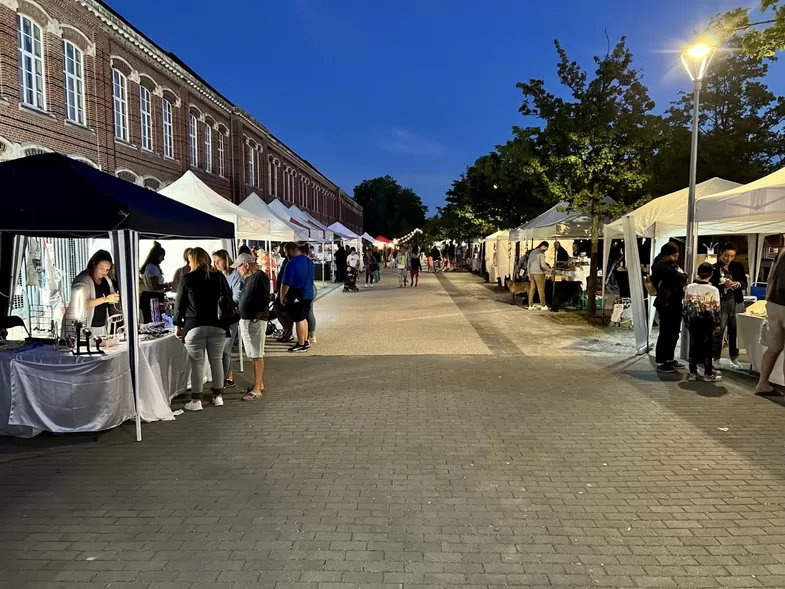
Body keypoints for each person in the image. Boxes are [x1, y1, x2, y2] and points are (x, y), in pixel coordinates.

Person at [173, 247, 229, 411]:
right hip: (217, 325)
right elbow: (228, 298)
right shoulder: (218, 276)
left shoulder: (187, 278)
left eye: (190, 260)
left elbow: (179, 305)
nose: (188, 263)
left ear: (195, 261)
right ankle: (218, 396)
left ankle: (196, 401)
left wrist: (178, 325)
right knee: (216, 360)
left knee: (197, 364)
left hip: (194, 326)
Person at [232, 252, 271, 400]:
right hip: (248, 319)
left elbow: (265, 297)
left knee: (256, 354)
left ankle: (257, 388)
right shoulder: (249, 278)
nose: (238, 270)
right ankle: (258, 383)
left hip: (254, 320)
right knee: (253, 354)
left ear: (246, 265)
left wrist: (257, 316)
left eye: (239, 267)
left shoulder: (259, 276)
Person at [651, 242, 689, 372]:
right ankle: (662, 361)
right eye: (674, 256)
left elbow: (682, 278)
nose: (676, 259)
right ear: (665, 255)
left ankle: (669, 358)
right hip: (666, 303)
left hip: (674, 301)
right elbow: (681, 276)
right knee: (666, 333)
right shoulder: (660, 266)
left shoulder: (669, 266)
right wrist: (681, 276)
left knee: (673, 333)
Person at [65, 250, 120, 336]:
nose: (104, 272)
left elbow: (110, 299)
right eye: (101, 268)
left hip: (102, 326)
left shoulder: (107, 280)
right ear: (94, 264)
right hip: (83, 327)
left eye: (107, 270)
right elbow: (82, 304)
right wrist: (105, 299)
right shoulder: (83, 280)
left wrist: (114, 299)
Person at [683, 262, 723, 382]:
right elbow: (716, 308)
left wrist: (686, 320)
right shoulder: (713, 290)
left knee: (693, 346)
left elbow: (685, 305)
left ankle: (692, 373)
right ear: (711, 274)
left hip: (694, 320)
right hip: (708, 320)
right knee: (707, 347)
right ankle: (708, 373)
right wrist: (717, 324)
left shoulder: (689, 287)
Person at [710, 242, 746, 370]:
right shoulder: (713, 268)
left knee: (735, 330)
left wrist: (738, 284)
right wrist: (722, 285)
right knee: (719, 329)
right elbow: (710, 285)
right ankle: (715, 358)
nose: (729, 259)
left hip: (736, 301)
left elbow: (744, 283)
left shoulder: (738, 266)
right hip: (721, 302)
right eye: (726, 255)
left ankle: (734, 358)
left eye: (732, 256)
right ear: (721, 254)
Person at [755, 248, 785, 395]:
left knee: (773, 348)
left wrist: (768, 298)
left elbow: (771, 276)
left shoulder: (781, 251)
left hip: (774, 303)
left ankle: (762, 383)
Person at [213, 249, 244, 388]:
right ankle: (228, 375)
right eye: (214, 261)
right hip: (218, 317)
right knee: (222, 348)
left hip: (230, 316)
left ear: (226, 260)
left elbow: (237, 296)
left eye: (218, 261)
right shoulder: (217, 276)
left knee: (226, 348)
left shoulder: (235, 276)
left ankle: (226, 377)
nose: (216, 264)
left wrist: (223, 302)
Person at [280, 242, 315, 353]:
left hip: (297, 294)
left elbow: (286, 283)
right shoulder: (308, 261)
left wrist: (282, 296)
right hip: (308, 293)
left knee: (299, 319)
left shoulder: (291, 263)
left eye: (286, 252)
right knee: (304, 318)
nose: (286, 255)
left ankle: (300, 344)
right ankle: (305, 341)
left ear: (291, 250)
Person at [140, 241, 170, 324]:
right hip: (152, 299)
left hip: (150, 296)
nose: (163, 259)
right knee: (154, 322)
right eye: (162, 256)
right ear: (157, 256)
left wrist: (167, 289)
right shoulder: (152, 268)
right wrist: (167, 284)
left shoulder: (148, 267)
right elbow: (155, 286)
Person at [527, 241, 550, 311]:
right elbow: (543, 265)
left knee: (532, 289)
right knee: (541, 289)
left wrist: (529, 272)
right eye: (546, 248)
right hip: (539, 273)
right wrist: (549, 270)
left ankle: (530, 305)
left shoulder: (532, 252)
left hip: (531, 272)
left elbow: (528, 263)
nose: (546, 249)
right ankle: (543, 305)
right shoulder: (541, 253)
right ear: (544, 246)